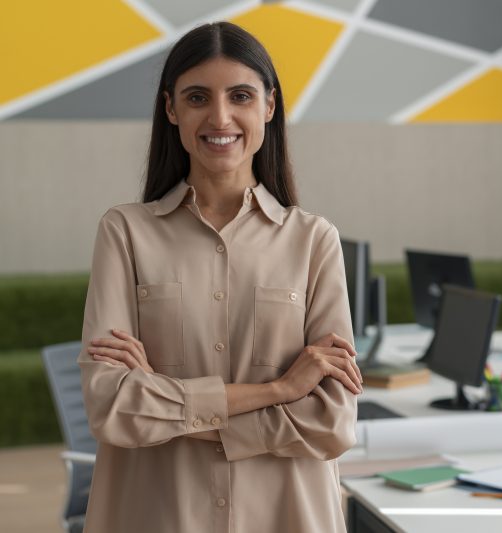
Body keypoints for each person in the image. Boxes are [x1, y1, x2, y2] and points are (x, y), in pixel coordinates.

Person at [78, 22, 361, 533]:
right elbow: (113, 407)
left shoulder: (314, 241)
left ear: (269, 107)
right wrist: (279, 389)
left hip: (286, 516)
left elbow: (331, 423)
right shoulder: (124, 233)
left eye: (241, 96)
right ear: (172, 109)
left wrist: (163, 401)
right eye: (197, 97)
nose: (220, 116)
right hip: (156, 516)